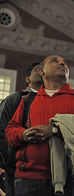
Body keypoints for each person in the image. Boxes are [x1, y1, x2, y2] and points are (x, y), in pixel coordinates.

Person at [5, 55, 74, 196]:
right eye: (55, 61)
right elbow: (10, 132)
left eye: (65, 63)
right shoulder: (27, 101)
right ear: (41, 71)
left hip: (66, 180)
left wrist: (56, 130)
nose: (62, 64)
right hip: (27, 180)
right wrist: (23, 134)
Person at [0, 62, 42, 196]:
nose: (42, 72)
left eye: (44, 70)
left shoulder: (52, 102)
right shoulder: (14, 99)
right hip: (18, 171)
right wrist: (9, 163)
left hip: (45, 173)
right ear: (27, 79)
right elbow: (1, 130)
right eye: (38, 69)